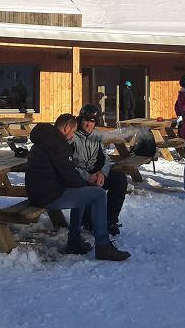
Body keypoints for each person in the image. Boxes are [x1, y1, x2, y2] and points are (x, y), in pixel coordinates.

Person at [25, 114, 130, 261]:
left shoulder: (45, 139)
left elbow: (66, 173)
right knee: (98, 194)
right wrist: (86, 185)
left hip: (37, 193)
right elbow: (69, 174)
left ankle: (74, 241)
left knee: (80, 191)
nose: (73, 134)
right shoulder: (58, 143)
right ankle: (103, 246)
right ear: (67, 127)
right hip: (48, 196)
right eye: (73, 131)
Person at [69, 104, 127, 236]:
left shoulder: (97, 135)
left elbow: (105, 157)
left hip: (95, 173)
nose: (89, 125)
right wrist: (86, 176)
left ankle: (110, 220)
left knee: (119, 179)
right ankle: (88, 220)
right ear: (80, 119)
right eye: (86, 121)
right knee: (87, 188)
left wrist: (102, 174)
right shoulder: (72, 136)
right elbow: (67, 164)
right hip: (77, 176)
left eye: (93, 122)